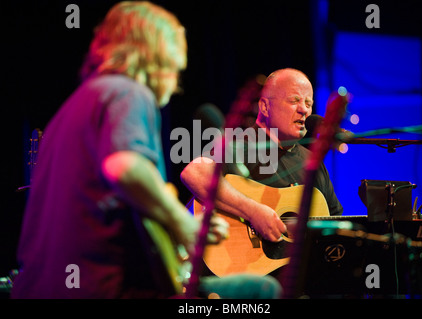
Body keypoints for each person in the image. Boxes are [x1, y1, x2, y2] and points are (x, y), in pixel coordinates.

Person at [11, 1, 281, 299]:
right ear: (158, 58)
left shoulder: (72, 109)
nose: (176, 84)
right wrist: (183, 224)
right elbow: (125, 168)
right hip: (107, 288)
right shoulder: (127, 92)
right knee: (262, 291)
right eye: (176, 68)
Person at [181, 68, 343, 245]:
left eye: (308, 102)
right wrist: (253, 211)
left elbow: (336, 224)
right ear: (265, 106)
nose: (304, 109)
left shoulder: (312, 162)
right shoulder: (243, 145)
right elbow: (195, 173)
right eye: (294, 100)